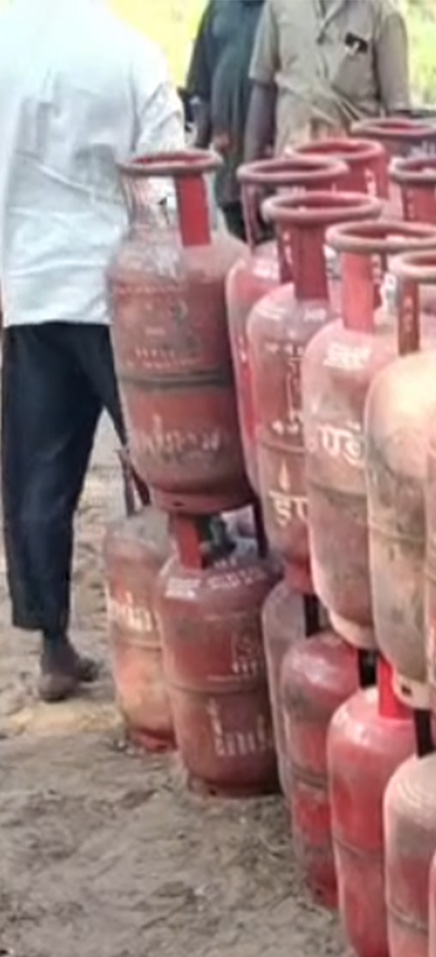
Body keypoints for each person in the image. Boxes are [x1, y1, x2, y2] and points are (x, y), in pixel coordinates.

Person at [0, 0, 185, 702]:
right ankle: (183, 623)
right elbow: (164, 184)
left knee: (38, 476)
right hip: (117, 289)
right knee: (169, 457)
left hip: (30, 286)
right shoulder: (131, 53)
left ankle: (52, 645)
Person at [243, 0, 412, 163]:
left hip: (351, 171)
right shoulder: (279, 5)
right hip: (290, 166)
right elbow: (263, 87)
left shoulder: (383, 14)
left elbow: (398, 115)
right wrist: (251, 169)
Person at [185, 0, 267, 240]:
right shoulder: (218, 8)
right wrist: (199, 145)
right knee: (237, 239)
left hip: (271, 161)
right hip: (229, 155)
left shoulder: (286, 10)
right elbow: (201, 81)